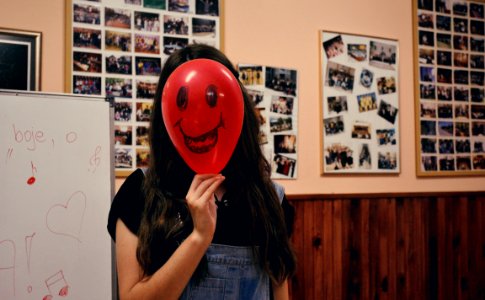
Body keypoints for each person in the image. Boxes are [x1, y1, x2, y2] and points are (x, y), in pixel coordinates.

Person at [107, 44, 296, 300]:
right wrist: (198, 238)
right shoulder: (139, 193)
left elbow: (279, 290)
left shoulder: (269, 198)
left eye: (210, 99)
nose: (197, 119)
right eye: (183, 102)